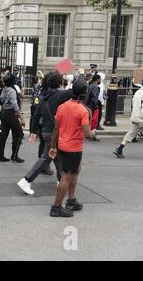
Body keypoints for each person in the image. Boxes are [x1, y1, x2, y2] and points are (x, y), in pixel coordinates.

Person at [17, 72, 74, 195]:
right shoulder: (60, 95)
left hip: (45, 130)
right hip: (54, 131)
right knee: (46, 156)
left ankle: (61, 180)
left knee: (57, 157)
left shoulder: (43, 97)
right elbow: (76, 90)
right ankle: (26, 180)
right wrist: (74, 78)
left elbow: (36, 115)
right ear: (59, 83)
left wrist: (33, 131)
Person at [49, 79, 93, 217]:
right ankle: (56, 207)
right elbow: (87, 134)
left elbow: (56, 128)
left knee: (75, 172)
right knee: (66, 177)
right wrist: (93, 133)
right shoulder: (83, 110)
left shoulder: (62, 106)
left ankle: (71, 200)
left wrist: (52, 146)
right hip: (73, 148)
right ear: (85, 93)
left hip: (63, 145)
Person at [114, 78, 143, 159]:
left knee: (131, 133)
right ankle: (119, 149)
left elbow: (134, 103)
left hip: (135, 117)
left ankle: (119, 148)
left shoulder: (138, 92)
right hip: (142, 118)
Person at [0, 74, 25, 163]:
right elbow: (14, 104)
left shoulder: (4, 89)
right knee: (19, 133)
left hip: (3, 112)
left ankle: (0, 156)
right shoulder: (12, 91)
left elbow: (1, 101)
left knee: (4, 135)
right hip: (10, 113)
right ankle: (14, 155)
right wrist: (21, 118)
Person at [85, 73, 101, 141]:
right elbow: (94, 97)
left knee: (89, 120)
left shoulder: (89, 86)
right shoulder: (96, 87)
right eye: (100, 79)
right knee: (94, 121)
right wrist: (96, 106)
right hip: (93, 106)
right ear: (97, 79)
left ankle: (90, 134)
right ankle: (92, 135)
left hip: (88, 105)